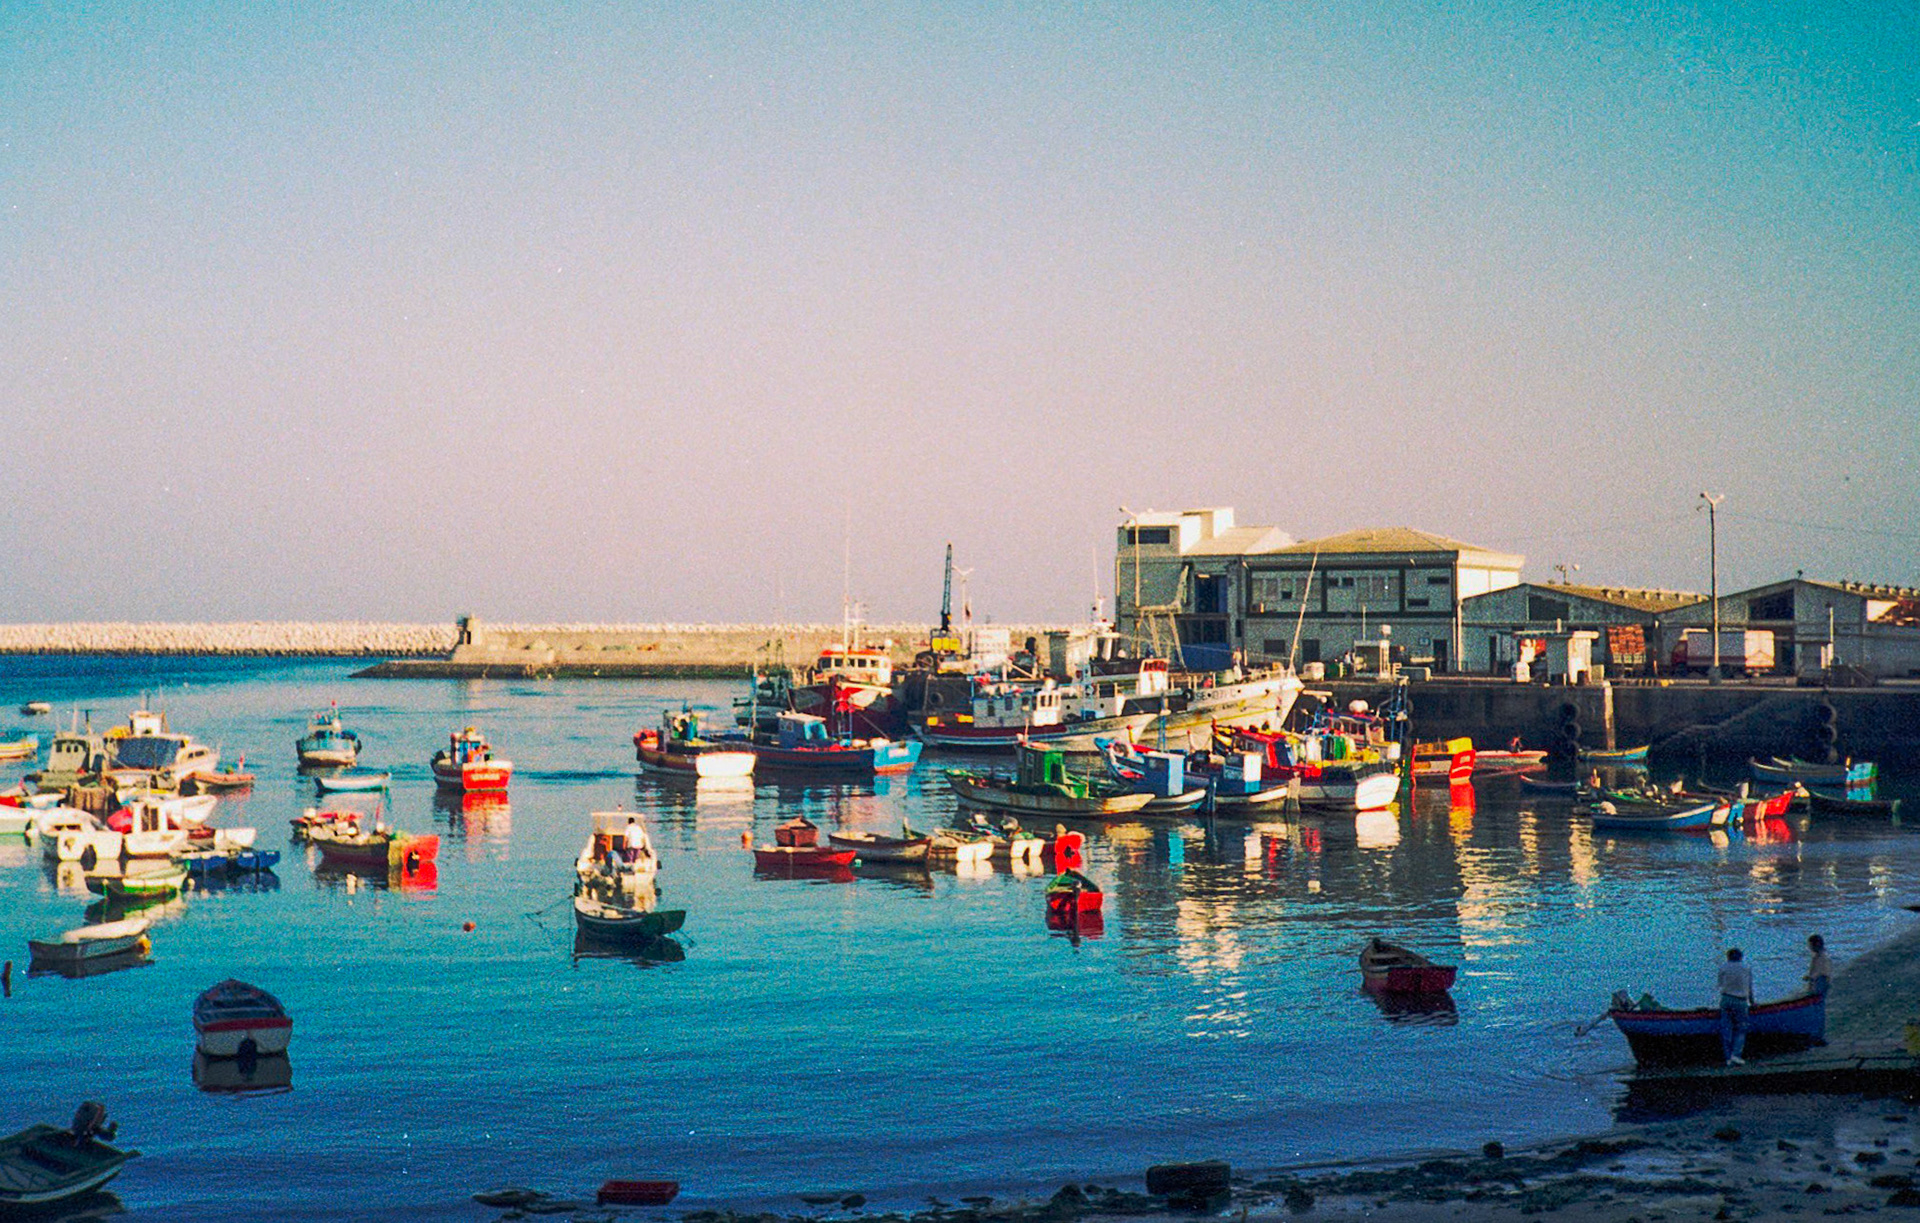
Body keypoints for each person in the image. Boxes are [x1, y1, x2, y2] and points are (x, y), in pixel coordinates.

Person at [1718, 948, 1754, 1065]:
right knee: (1740, 1029)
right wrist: (1752, 1002)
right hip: (1740, 1001)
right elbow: (1749, 988)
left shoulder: (1723, 967)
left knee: (1727, 1028)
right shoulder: (1746, 968)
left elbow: (1720, 985)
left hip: (1726, 999)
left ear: (1728, 957)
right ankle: (1736, 1055)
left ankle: (1728, 1057)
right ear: (1740, 957)